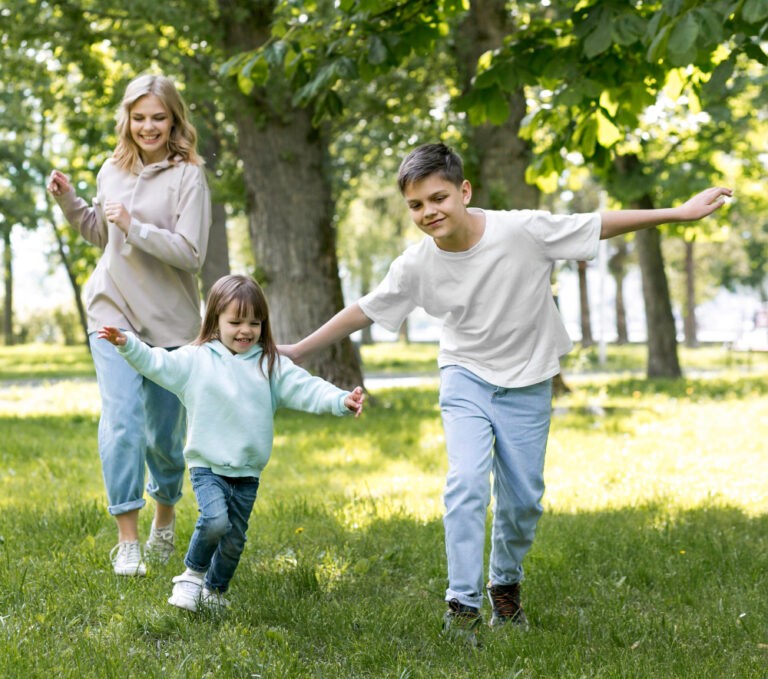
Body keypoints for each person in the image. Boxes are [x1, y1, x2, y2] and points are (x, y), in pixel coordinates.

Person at [279, 142, 733, 643]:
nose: (429, 212)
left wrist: (680, 213)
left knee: (523, 502)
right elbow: (365, 309)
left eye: (439, 198)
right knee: (467, 483)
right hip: (465, 375)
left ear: (464, 191)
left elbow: (596, 223)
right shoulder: (416, 265)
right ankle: (462, 604)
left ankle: (504, 586)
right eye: (416, 205)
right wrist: (300, 348)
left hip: (530, 379)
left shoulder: (520, 231)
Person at [98, 274, 365, 611]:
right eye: (236, 321)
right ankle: (191, 578)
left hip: (247, 471)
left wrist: (341, 400)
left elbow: (306, 387)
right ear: (215, 321)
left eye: (255, 322)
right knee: (214, 521)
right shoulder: (196, 360)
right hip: (207, 465)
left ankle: (214, 592)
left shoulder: (270, 365)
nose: (246, 330)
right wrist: (127, 344)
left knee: (234, 540)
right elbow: (157, 363)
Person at [48, 74, 212, 576]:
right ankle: (128, 540)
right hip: (111, 308)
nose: (147, 127)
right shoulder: (110, 170)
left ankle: (165, 518)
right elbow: (101, 234)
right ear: (127, 119)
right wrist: (70, 202)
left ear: (174, 120)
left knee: (164, 435)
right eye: (138, 117)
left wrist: (134, 228)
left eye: (158, 117)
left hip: (168, 323)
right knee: (121, 423)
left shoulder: (190, 177)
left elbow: (191, 253)